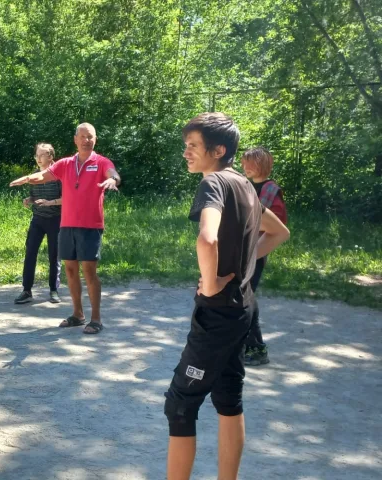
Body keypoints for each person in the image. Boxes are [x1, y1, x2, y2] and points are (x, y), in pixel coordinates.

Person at [163, 113, 290, 480]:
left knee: (180, 406)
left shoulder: (214, 183)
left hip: (218, 313)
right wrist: (245, 263)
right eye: (185, 145)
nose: (186, 152)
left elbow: (208, 239)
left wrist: (211, 282)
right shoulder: (246, 186)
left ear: (218, 150)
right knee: (229, 399)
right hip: (242, 309)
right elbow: (279, 233)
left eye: (193, 146)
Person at [10, 123, 120, 334]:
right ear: (75, 139)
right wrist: (26, 179)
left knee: (89, 272)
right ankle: (78, 315)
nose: (87, 140)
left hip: (90, 226)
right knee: (70, 269)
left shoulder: (101, 162)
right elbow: (43, 175)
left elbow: (112, 173)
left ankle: (96, 319)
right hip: (67, 224)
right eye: (83, 136)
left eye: (90, 137)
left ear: (95, 139)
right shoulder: (66, 163)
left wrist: (112, 180)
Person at [240, 147, 289, 366]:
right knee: (241, 297)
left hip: (257, 251)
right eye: (244, 162)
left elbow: (278, 224)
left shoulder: (271, 190)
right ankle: (243, 345)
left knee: (245, 299)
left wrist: (249, 228)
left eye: (250, 163)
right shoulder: (245, 185)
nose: (245, 167)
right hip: (240, 249)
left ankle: (257, 349)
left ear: (262, 164)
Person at [14, 143, 63, 304]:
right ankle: (26, 291)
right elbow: (35, 196)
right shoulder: (35, 175)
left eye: (42, 155)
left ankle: (54, 290)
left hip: (55, 220)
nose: (38, 158)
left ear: (50, 156)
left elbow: (67, 199)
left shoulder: (59, 175)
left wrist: (50, 203)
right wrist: (29, 199)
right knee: (30, 253)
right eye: (37, 155)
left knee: (54, 255)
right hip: (38, 219)